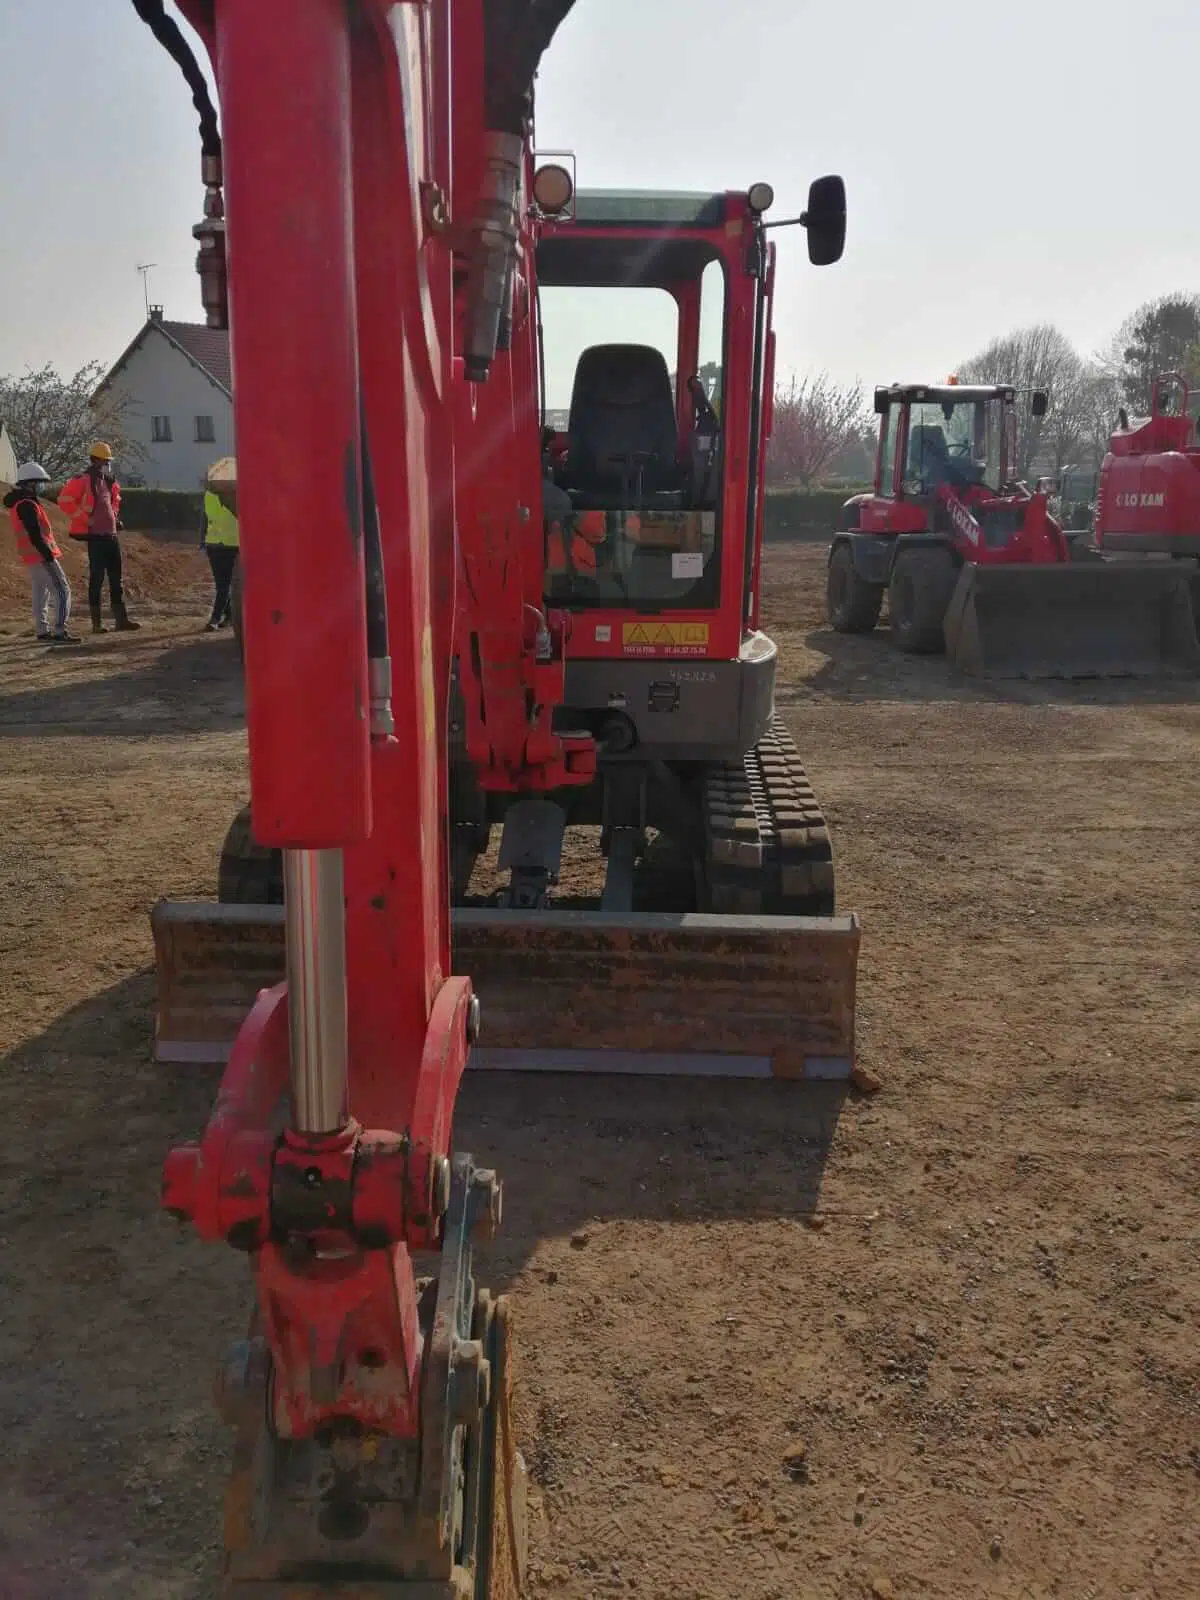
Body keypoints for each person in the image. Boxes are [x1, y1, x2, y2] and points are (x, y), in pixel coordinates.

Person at [58, 441, 140, 633]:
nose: (107, 464)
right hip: (96, 538)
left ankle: (121, 621)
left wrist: (115, 518)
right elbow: (64, 500)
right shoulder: (83, 480)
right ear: (95, 460)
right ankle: (97, 624)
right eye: (105, 460)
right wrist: (85, 519)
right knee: (97, 580)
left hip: (111, 536)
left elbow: (114, 503)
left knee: (116, 580)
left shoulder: (109, 481)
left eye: (108, 461)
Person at [5, 462, 79, 644]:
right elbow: (35, 534)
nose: (41, 486)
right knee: (62, 590)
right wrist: (48, 555)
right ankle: (60, 631)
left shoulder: (20, 503)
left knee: (41, 592)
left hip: (32, 555)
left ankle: (42, 630)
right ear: (29, 483)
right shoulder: (27, 505)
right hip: (41, 554)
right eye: (39, 482)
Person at [199, 457, 239, 631]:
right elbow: (204, 519)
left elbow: (203, 520)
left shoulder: (212, 495)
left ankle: (215, 618)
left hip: (227, 545)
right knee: (223, 585)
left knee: (223, 585)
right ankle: (228, 617)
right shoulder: (234, 495)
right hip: (219, 544)